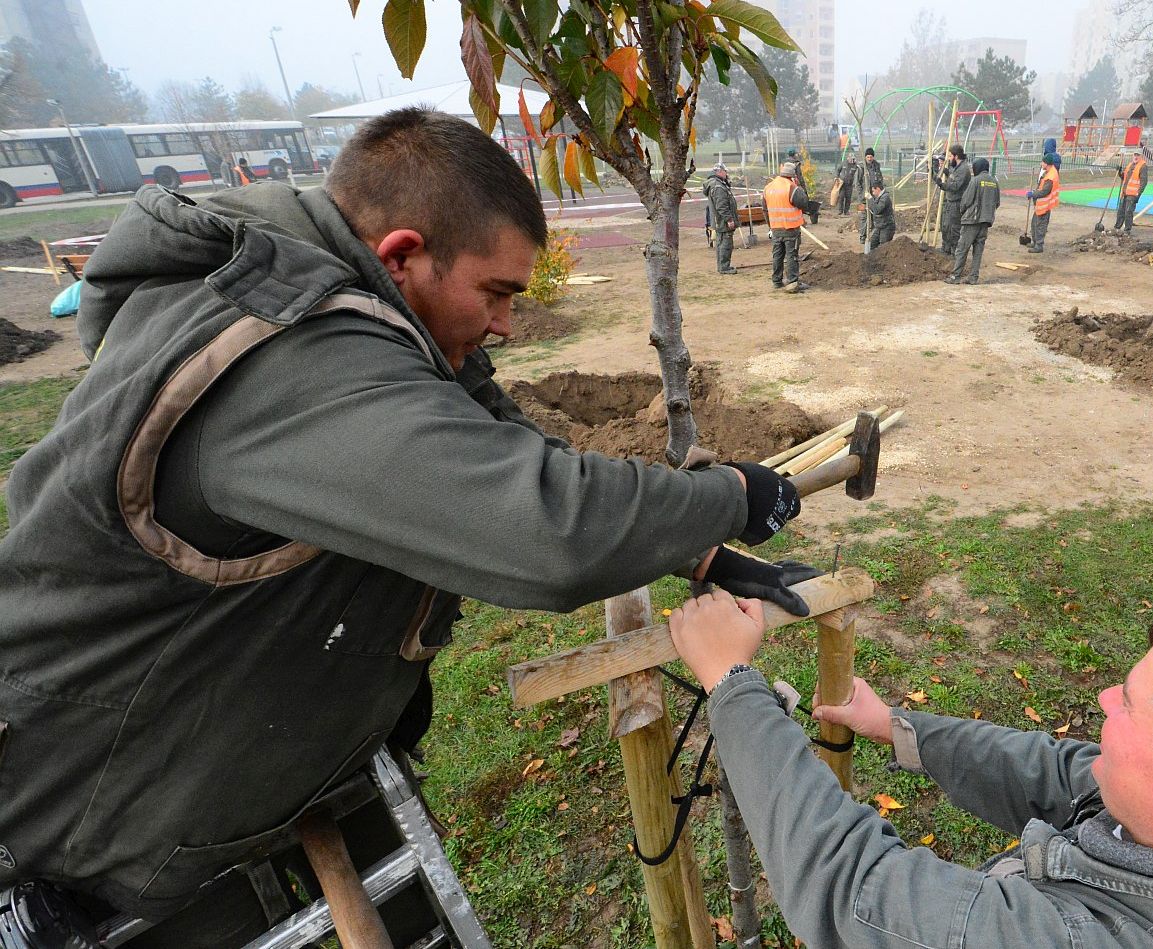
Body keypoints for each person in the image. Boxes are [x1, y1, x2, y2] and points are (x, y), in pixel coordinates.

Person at [0, 107, 818, 945]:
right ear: (401, 255)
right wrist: (734, 495)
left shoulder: (352, 303)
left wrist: (696, 545)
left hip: (241, 759)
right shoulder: (292, 352)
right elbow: (546, 530)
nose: (504, 323)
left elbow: (503, 441)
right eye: (495, 292)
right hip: (103, 816)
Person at [668, 600, 1153, 949]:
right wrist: (900, 729)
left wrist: (730, 680)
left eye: (1127, 704)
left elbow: (852, 885)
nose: (1106, 700)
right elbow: (1064, 770)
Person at [947, 156, 1000, 285]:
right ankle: (973, 277)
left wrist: (962, 211)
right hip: (986, 221)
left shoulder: (975, 181)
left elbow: (966, 200)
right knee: (978, 251)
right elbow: (997, 202)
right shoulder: (994, 182)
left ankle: (956, 276)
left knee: (962, 249)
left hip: (971, 220)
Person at [764, 161, 809, 293]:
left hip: (776, 228)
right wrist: (799, 186)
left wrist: (770, 226)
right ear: (792, 175)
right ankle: (793, 282)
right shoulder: (791, 187)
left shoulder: (768, 187)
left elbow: (765, 209)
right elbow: (804, 203)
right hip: (790, 228)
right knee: (791, 255)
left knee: (777, 255)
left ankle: (777, 281)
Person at [703, 163, 740, 275]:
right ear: (719, 172)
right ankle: (724, 267)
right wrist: (729, 219)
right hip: (722, 221)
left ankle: (722, 266)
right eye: (725, 171)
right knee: (725, 244)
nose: (726, 173)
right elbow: (721, 206)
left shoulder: (716, 184)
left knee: (721, 243)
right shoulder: (718, 187)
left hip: (719, 220)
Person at [935, 143, 971, 254]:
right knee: (946, 226)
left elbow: (955, 186)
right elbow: (952, 176)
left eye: (950, 156)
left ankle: (955, 252)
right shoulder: (956, 168)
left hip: (957, 203)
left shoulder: (964, 169)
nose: (949, 159)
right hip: (950, 201)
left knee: (954, 229)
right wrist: (947, 172)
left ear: (956, 156)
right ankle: (945, 248)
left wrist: (942, 185)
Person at [1024, 151, 1061, 253]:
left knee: (1040, 226)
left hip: (1045, 205)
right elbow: (1041, 187)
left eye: (1042, 162)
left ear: (1046, 163)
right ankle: (1035, 242)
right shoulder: (1048, 173)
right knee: (1034, 224)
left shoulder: (1051, 176)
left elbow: (1044, 191)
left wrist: (1033, 194)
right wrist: (1034, 192)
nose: (1041, 164)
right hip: (1041, 205)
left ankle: (1039, 245)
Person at [854, 147, 885, 242]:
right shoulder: (860, 167)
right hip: (862, 198)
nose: (869, 159)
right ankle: (862, 237)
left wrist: (880, 192)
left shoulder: (876, 166)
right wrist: (861, 195)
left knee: (875, 216)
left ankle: (874, 237)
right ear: (865, 157)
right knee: (863, 217)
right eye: (868, 157)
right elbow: (857, 183)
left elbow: (880, 180)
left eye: (871, 157)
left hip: (874, 197)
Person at [1115, 149, 1149, 234]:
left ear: (1141, 156)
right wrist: (1119, 171)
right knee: (1120, 211)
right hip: (1125, 192)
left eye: (1138, 155)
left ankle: (1127, 230)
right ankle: (1117, 228)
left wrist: (1138, 194)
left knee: (1128, 212)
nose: (1136, 157)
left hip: (1133, 194)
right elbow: (1124, 177)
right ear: (1132, 155)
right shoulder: (1130, 165)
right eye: (1135, 155)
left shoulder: (1143, 166)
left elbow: (1143, 182)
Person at [866, 182, 896, 251]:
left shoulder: (885, 197)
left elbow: (877, 210)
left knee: (883, 247)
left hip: (887, 227)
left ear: (878, 189)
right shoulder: (880, 196)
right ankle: (873, 259)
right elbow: (874, 208)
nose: (873, 193)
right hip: (880, 226)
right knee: (873, 243)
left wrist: (870, 199)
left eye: (873, 191)